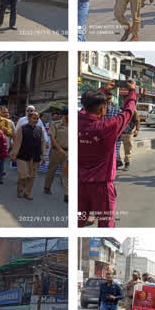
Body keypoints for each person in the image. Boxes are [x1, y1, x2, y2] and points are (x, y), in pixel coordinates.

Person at [78, 80, 137, 227]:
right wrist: (132, 92)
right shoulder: (108, 126)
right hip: (101, 187)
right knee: (105, 224)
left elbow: (84, 111)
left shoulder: (77, 120)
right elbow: (128, 112)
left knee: (77, 221)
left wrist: (103, 89)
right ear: (103, 108)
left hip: (78, 183)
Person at [10, 111, 45, 200]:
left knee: (32, 176)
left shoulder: (39, 129)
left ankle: (28, 192)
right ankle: (20, 188)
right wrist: (14, 154)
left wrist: (44, 155)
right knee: (24, 174)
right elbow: (17, 142)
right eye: (34, 118)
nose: (36, 120)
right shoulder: (22, 129)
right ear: (29, 118)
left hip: (35, 156)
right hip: (22, 156)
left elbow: (42, 142)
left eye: (37, 119)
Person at [44, 108, 68, 201]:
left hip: (68, 152)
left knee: (66, 173)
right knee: (51, 170)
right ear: (63, 115)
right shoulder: (55, 124)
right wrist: (59, 149)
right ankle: (47, 187)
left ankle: (67, 194)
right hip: (56, 151)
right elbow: (52, 139)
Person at [117, 105, 139, 171]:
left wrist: (137, 130)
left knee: (127, 149)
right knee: (116, 148)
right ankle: (118, 161)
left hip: (128, 132)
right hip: (119, 132)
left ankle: (127, 163)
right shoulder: (120, 109)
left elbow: (137, 121)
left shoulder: (133, 110)